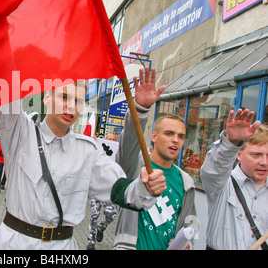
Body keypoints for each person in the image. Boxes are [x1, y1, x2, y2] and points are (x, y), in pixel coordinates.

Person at [0, 81, 167, 250]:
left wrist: (147, 187)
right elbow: (2, 86)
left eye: (79, 100)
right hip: (13, 243)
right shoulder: (19, 130)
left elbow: (121, 189)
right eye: (64, 97)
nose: (71, 106)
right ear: (46, 98)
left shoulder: (88, 152)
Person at [113, 67, 197, 250]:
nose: (175, 139)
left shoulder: (186, 182)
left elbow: (190, 222)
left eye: (181, 136)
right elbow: (128, 143)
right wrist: (141, 109)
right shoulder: (134, 166)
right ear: (154, 136)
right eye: (169, 133)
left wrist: (187, 241)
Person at [201, 109, 267, 250]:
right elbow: (213, 169)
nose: (264, 162)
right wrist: (230, 143)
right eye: (256, 154)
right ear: (239, 154)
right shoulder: (222, 184)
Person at [87, 132, 120, 250]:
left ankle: (101, 228)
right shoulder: (99, 150)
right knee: (94, 214)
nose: (111, 141)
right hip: (98, 186)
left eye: (113, 139)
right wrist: (93, 142)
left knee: (110, 215)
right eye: (109, 139)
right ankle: (91, 240)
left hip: (111, 190)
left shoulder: (119, 153)